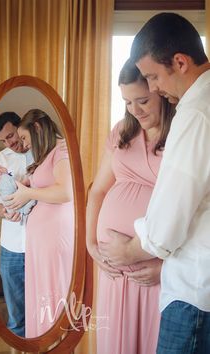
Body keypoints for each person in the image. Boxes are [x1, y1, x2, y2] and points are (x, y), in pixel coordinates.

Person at [99, 13, 210, 354]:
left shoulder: (196, 112)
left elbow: (172, 211)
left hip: (191, 288)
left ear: (180, 62)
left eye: (153, 77)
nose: (154, 87)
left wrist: (129, 250)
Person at [86, 58, 175, 354]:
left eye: (142, 101)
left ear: (160, 91)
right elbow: (98, 191)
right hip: (113, 271)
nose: (135, 111)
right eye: (127, 102)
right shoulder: (123, 131)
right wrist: (91, 246)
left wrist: (166, 268)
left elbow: (195, 214)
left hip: (153, 272)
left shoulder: (182, 134)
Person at [5, 108, 74, 338]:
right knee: (43, 294)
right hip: (43, 241)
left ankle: (56, 342)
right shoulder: (49, 153)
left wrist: (29, 194)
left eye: (24, 137)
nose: (24, 144)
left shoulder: (62, 150)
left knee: (53, 295)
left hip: (54, 238)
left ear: (36, 128)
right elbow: (40, 188)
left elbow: (66, 192)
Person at [0, 112, 34, 337]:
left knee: (45, 310)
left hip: (40, 243)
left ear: (20, 126)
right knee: (16, 318)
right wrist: (4, 211)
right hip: (11, 248)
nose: (9, 143)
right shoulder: (0, 161)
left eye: (11, 135)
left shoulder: (43, 150)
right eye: (3, 140)